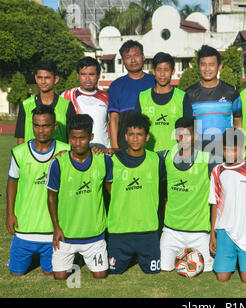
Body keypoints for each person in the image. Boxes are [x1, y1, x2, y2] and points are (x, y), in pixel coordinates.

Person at [46, 114, 112, 280]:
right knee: (60, 277)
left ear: (91, 137)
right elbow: (51, 196)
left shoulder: (104, 160)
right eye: (73, 138)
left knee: (100, 275)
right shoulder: (58, 162)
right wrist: (56, 227)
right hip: (66, 235)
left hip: (94, 235)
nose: (77, 143)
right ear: (68, 139)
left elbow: (111, 192)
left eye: (82, 138)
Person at [6, 106, 70, 276]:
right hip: (24, 230)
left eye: (46, 126)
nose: (41, 130)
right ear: (32, 125)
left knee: (51, 273)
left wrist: (97, 149)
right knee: (16, 273)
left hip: (52, 232)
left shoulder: (66, 151)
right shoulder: (19, 152)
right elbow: (12, 181)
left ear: (54, 127)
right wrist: (10, 213)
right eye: (37, 125)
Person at [159, 116, 217, 272]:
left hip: (199, 233)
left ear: (196, 136)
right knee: (164, 269)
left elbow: (231, 165)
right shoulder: (165, 157)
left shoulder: (208, 160)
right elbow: (140, 158)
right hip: (171, 231)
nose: (183, 139)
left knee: (208, 270)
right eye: (180, 135)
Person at [106, 112, 162, 275]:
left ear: (147, 137)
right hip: (119, 231)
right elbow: (107, 188)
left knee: (153, 273)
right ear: (125, 136)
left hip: (148, 232)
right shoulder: (111, 160)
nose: (135, 138)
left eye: (139, 135)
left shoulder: (156, 160)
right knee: (114, 272)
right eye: (131, 134)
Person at [209, 128, 246, 284]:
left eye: (234, 149)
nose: (229, 152)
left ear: (243, 149)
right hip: (224, 231)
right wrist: (213, 233)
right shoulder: (217, 170)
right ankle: (233, 260)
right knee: (222, 278)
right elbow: (214, 204)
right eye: (226, 148)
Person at [185, 45, 240, 153]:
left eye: (211, 65)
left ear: (219, 67)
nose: (207, 69)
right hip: (199, 154)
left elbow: (238, 123)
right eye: (203, 65)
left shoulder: (231, 92)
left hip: (225, 152)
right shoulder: (189, 93)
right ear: (198, 66)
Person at [136, 52, 193, 154]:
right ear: (153, 71)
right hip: (149, 156)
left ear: (173, 71)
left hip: (175, 157)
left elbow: (189, 131)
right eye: (159, 70)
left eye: (166, 70)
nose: (162, 74)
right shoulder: (142, 97)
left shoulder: (182, 97)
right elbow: (137, 129)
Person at [108, 40, 156, 153]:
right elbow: (114, 118)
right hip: (125, 145)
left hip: (152, 142)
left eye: (136, 55)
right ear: (123, 61)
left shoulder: (154, 81)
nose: (133, 60)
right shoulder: (116, 85)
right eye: (128, 57)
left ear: (143, 57)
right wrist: (115, 146)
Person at [15, 60, 74, 145]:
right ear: (35, 78)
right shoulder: (25, 105)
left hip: (59, 157)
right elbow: (21, 138)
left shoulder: (67, 105)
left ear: (56, 79)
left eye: (47, 78)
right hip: (31, 158)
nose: (43, 82)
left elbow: (71, 139)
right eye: (40, 77)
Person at [61, 57, 110, 149]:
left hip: (103, 151)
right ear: (78, 76)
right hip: (77, 152)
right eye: (83, 74)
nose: (87, 78)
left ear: (98, 76)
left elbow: (111, 125)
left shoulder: (107, 97)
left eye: (91, 74)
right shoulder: (67, 96)